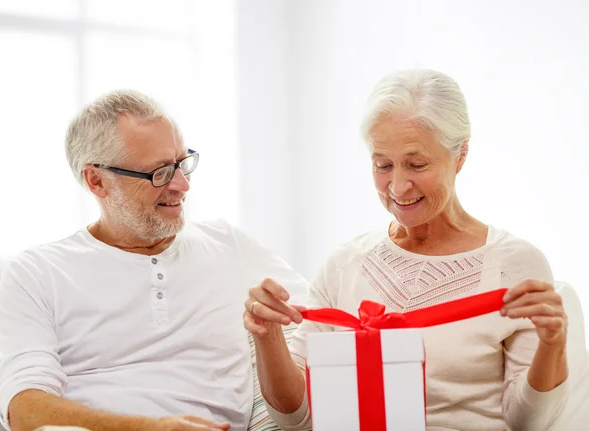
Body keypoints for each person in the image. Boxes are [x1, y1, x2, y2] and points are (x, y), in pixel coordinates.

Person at [244, 69, 589, 430]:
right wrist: (266, 338)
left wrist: (552, 345)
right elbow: (296, 421)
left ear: (461, 155)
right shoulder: (344, 265)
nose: (398, 186)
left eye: (417, 164)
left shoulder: (515, 265)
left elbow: (528, 423)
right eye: (383, 165)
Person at [0, 90, 308, 431]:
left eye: (181, 162)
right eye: (159, 173)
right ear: (96, 180)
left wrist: (270, 331)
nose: (182, 184)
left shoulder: (228, 245)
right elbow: (23, 410)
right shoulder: (38, 272)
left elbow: (328, 322)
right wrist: (149, 428)